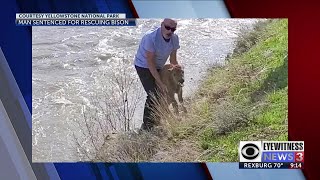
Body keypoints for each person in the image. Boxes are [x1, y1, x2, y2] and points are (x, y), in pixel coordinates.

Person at [134, 18, 181, 131]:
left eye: (173, 29)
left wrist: (178, 73)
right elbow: (150, 62)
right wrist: (159, 82)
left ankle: (157, 119)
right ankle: (146, 127)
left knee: (165, 91)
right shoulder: (150, 38)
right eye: (167, 27)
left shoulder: (174, 39)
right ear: (161, 25)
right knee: (154, 93)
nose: (170, 31)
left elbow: (173, 60)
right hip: (143, 65)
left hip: (159, 65)